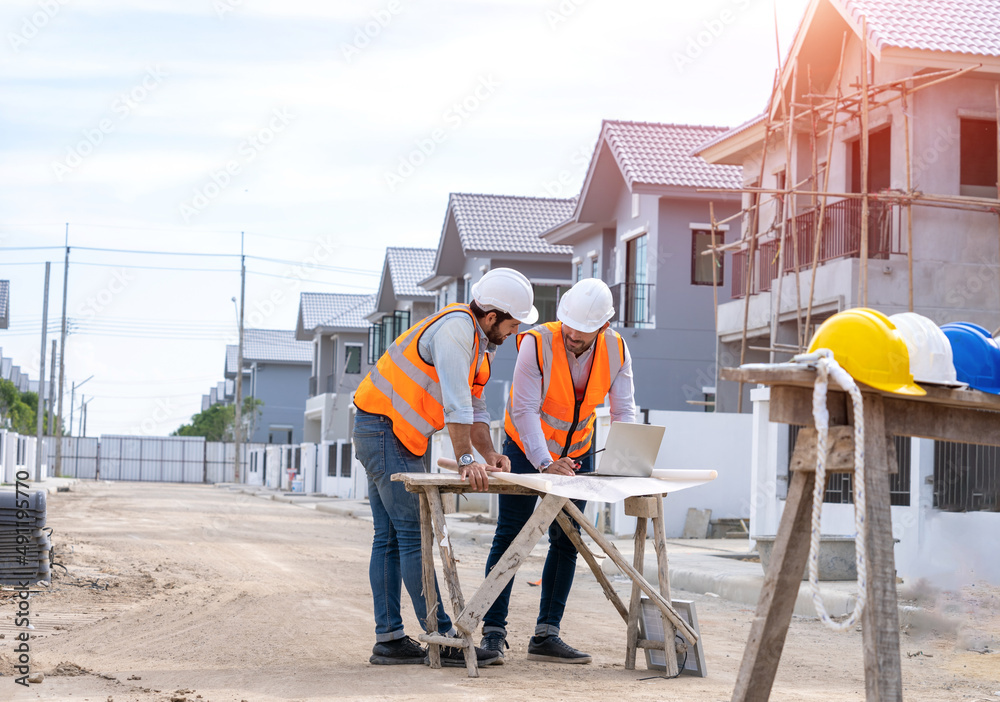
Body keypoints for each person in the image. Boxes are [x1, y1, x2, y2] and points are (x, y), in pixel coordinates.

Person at [353, 267, 539, 667]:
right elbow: (455, 403)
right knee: (411, 535)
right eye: (510, 325)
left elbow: (474, 408)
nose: (511, 334)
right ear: (491, 317)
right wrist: (466, 459)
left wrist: (487, 453)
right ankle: (443, 639)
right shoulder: (457, 330)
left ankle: (389, 640)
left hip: (393, 432)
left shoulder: (476, 342)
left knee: (388, 536)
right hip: (386, 430)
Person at [480, 278, 636, 665]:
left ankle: (546, 635)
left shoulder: (616, 349)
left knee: (567, 540)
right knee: (511, 536)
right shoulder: (535, 342)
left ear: (602, 328)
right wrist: (545, 460)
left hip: (577, 454)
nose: (570, 335)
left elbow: (624, 411)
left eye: (581, 333)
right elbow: (525, 410)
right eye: (567, 326)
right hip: (523, 448)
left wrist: (626, 459)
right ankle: (492, 634)